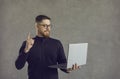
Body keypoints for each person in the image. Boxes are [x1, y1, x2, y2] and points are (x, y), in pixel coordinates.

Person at [15, 15, 80, 79]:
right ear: (37, 26)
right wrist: (26, 50)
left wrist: (69, 68)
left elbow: (62, 63)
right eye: (44, 25)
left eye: (49, 26)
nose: (48, 28)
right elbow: (18, 66)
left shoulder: (56, 43)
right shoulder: (28, 44)